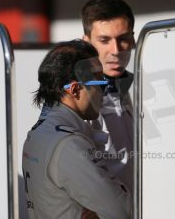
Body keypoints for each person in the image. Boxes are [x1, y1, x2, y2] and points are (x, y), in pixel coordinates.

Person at [22, 39, 131, 219]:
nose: (104, 90)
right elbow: (124, 210)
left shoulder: (38, 132)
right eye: (100, 82)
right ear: (75, 90)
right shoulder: (69, 145)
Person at [81, 0, 135, 196]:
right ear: (86, 44)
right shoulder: (75, 98)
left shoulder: (141, 88)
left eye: (123, 39)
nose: (115, 50)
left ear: (133, 39)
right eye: (104, 40)